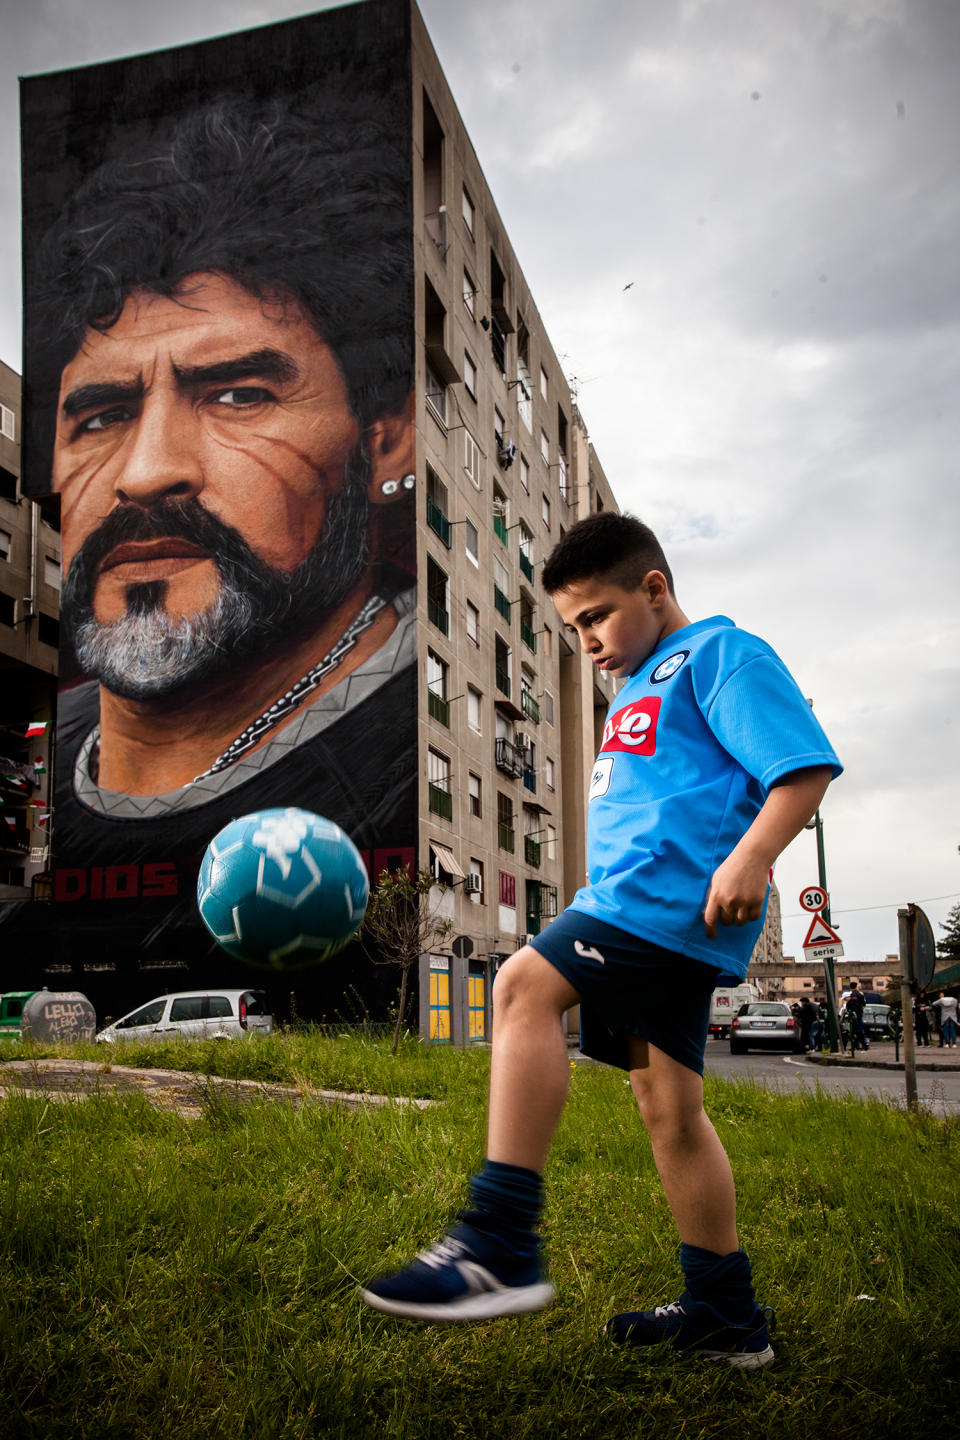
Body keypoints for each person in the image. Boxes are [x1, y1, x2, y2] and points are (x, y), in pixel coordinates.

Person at [361, 512, 841, 1369]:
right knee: (671, 1112)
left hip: (658, 905)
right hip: (638, 907)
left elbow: (802, 766)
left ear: (654, 589)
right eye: (571, 626)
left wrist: (751, 858)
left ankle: (497, 1242)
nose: (585, 640)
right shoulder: (638, 682)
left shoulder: (721, 655)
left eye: (595, 617)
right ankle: (727, 1318)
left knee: (519, 988)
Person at [32, 97, 418, 867]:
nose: (145, 475)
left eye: (238, 397)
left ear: (386, 440)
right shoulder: (51, 748)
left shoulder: (417, 750)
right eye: (104, 415)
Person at [846, 982, 868, 1052]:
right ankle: (860, 1045)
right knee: (859, 1030)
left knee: (857, 1031)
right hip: (860, 1014)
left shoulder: (853, 995)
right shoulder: (860, 994)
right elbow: (864, 1004)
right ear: (856, 986)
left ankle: (861, 1045)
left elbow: (852, 1005)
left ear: (850, 987)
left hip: (855, 1015)